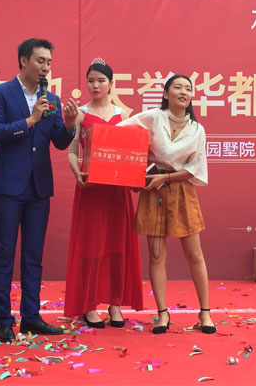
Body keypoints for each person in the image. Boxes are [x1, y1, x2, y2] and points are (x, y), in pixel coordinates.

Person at [0, 38, 77, 343]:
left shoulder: (52, 98)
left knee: (33, 256)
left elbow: (59, 142)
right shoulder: (1, 92)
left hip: (39, 187)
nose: (46, 67)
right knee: (4, 253)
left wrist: (70, 125)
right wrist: (30, 120)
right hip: (8, 186)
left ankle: (31, 318)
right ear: (23, 61)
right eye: (40, 61)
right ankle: (3, 321)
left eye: (49, 62)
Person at [119, 74, 216, 334]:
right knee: (156, 255)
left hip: (182, 191)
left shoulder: (197, 129)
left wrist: (166, 178)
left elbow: (195, 169)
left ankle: (205, 313)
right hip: (153, 191)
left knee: (195, 255)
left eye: (188, 89)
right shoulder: (153, 118)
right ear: (165, 94)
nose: (183, 92)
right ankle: (163, 314)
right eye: (177, 87)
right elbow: (120, 133)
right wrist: (133, 172)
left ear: (191, 96)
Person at [63, 59, 143, 328]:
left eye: (101, 80)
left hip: (118, 192)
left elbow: (133, 152)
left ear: (111, 84)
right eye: (91, 81)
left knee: (117, 246)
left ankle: (115, 303)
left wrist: (135, 176)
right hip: (91, 190)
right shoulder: (80, 114)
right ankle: (88, 304)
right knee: (92, 247)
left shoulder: (125, 115)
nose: (95, 85)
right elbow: (72, 151)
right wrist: (77, 173)